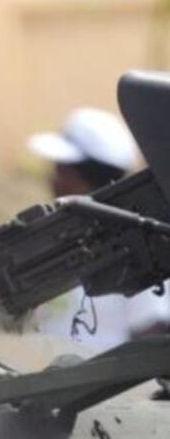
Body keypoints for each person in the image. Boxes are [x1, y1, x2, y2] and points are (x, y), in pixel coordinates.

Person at [29, 107, 170, 351]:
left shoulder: (137, 248)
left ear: (89, 178)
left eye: (63, 170)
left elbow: (150, 336)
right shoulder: (60, 236)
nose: (53, 179)